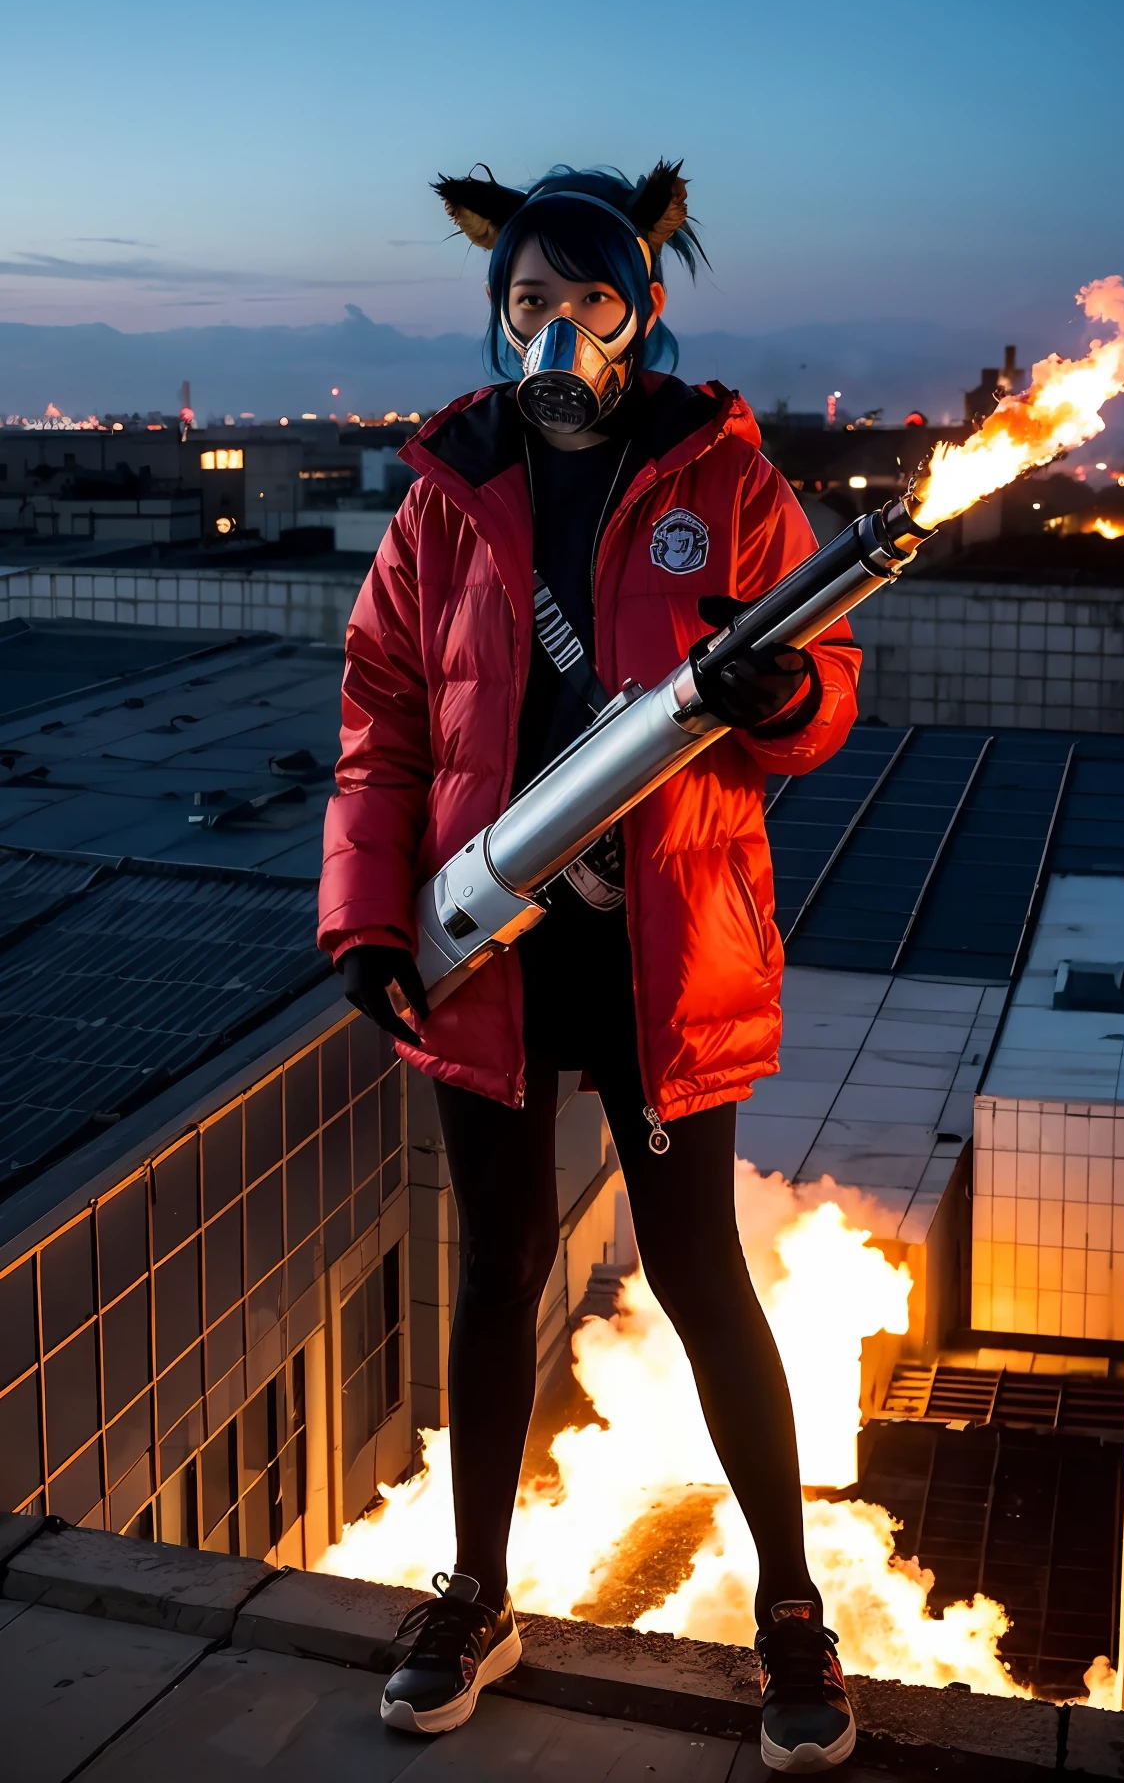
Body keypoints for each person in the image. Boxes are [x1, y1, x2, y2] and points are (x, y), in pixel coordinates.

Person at [318, 163, 862, 1773]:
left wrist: (776, 703)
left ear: (645, 308)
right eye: (530, 301)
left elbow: (823, 695)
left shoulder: (729, 475)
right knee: (494, 1273)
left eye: (590, 298)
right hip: (491, 948)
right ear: (499, 318)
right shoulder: (443, 494)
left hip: (661, 950)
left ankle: (788, 1612)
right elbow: (383, 719)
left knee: (700, 1281)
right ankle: (474, 1592)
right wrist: (368, 921)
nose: (558, 327)